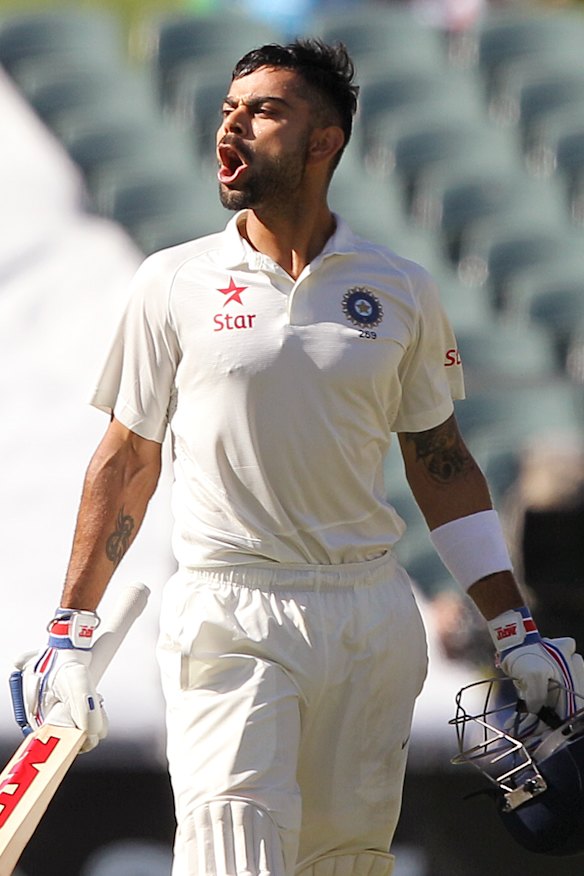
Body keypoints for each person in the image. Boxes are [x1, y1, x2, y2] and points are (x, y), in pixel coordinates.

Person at [13, 39, 584, 876]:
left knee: (345, 862)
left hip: (366, 614)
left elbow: (442, 460)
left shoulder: (400, 288)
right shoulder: (173, 282)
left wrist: (515, 626)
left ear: (324, 142)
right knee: (229, 849)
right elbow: (127, 457)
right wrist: (70, 628)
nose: (232, 127)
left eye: (263, 111)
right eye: (226, 111)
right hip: (230, 609)